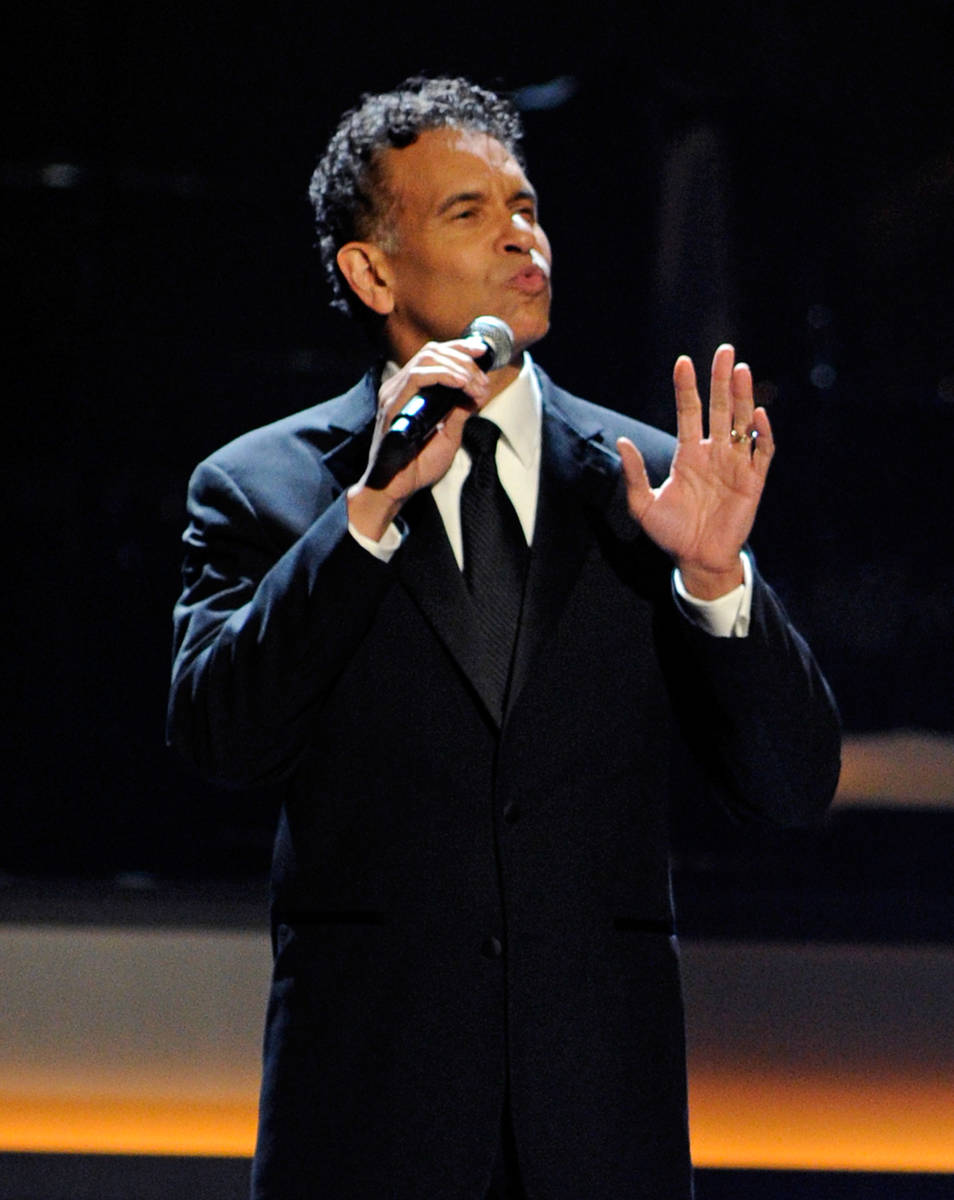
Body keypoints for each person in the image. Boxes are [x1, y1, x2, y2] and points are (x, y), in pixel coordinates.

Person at [167, 76, 840, 1200]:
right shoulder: (266, 490)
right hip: (369, 1125)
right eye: (467, 211)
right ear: (372, 270)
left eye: (525, 204)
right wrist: (368, 514)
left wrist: (715, 575)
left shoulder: (653, 484)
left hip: (598, 1131)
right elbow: (220, 740)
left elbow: (789, 786)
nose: (520, 231)